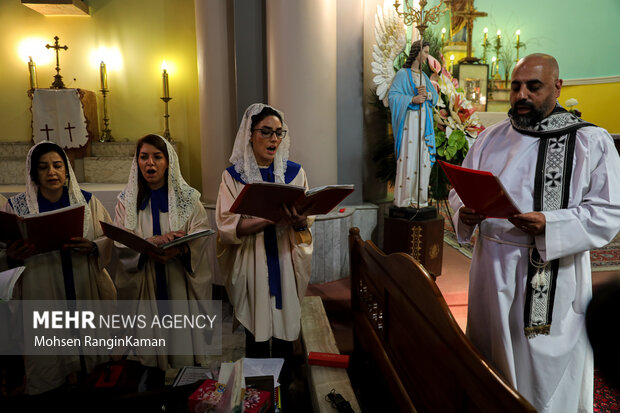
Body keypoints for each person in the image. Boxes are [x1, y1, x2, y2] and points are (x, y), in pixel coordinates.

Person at [449, 53, 620, 413]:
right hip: (489, 270)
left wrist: (551, 225)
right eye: (515, 86)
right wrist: (465, 212)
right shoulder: (488, 139)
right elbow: (457, 192)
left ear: (558, 87)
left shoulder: (591, 142)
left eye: (533, 86)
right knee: (490, 362)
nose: (521, 95)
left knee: (541, 379)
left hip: (550, 277)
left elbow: (609, 212)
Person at [1, 141, 116, 395]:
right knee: (48, 364)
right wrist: (11, 256)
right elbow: (5, 249)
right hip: (40, 287)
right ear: (33, 173)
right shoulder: (17, 208)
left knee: (90, 362)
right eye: (43, 167)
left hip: (82, 284)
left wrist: (94, 247)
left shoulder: (87, 202)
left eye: (57, 166)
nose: (51, 172)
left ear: (67, 170)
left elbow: (107, 237)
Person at [216, 103, 313, 401]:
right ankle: (258, 399)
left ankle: (286, 394)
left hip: (284, 260)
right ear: (250, 135)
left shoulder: (295, 174)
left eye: (278, 133)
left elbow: (307, 223)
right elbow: (226, 224)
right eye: (266, 132)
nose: (273, 140)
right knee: (255, 334)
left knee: (285, 332)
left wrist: (300, 221)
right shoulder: (233, 178)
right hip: (253, 263)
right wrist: (268, 219)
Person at [113, 134, 212, 371]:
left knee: (182, 349)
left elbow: (200, 231)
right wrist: (148, 244)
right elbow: (120, 241)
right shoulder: (126, 202)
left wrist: (181, 248)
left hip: (179, 278)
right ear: (136, 162)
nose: (150, 163)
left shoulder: (188, 199)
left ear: (169, 162)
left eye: (157, 157)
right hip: (146, 278)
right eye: (144, 157)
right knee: (150, 353)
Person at [388, 40, 439, 208]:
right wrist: (412, 99)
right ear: (416, 53)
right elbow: (393, 97)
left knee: (422, 159)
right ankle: (405, 198)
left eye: (427, 52)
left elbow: (434, 98)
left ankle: (419, 198)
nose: (426, 56)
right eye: (424, 52)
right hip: (409, 124)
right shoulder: (403, 74)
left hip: (424, 125)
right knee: (410, 156)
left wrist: (428, 95)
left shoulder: (424, 76)